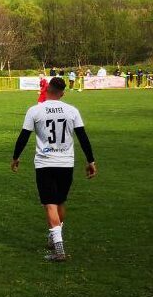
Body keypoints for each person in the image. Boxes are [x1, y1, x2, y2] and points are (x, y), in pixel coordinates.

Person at [11, 77, 97, 262]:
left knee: (49, 203)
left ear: (47, 89)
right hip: (66, 163)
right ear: (63, 93)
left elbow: (23, 137)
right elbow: (83, 137)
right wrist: (91, 161)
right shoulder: (72, 110)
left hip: (45, 163)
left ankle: (59, 250)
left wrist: (15, 158)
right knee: (59, 202)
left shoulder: (34, 110)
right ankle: (53, 236)